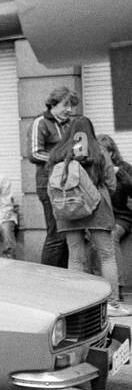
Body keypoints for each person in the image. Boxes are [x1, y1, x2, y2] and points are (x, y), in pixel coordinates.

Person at [47, 117, 131, 316]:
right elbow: (111, 184)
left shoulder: (58, 153)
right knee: (107, 255)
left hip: (68, 208)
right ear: (91, 131)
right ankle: (113, 305)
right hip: (98, 206)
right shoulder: (99, 151)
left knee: (75, 257)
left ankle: (77, 305)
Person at [29, 88, 80, 268]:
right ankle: (47, 280)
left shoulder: (70, 124)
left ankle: (62, 278)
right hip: (48, 185)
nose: (69, 110)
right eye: (66, 105)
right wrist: (63, 158)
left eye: (71, 106)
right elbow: (34, 154)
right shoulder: (40, 122)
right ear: (53, 104)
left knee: (67, 234)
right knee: (56, 234)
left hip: (68, 184)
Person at [100, 135, 132, 296]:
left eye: (105, 153)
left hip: (121, 217)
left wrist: (120, 173)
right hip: (100, 217)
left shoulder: (124, 167)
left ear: (112, 153)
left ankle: (116, 288)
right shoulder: (95, 170)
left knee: (111, 237)